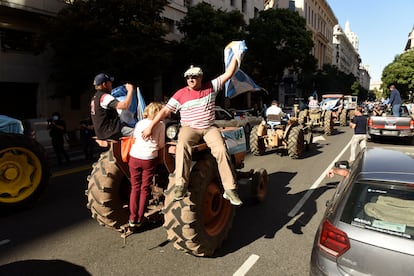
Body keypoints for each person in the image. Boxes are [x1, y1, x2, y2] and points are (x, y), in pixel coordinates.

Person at [141, 56, 243, 206]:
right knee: (182, 146)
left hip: (208, 128)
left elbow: (229, 73)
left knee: (221, 149)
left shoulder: (211, 87)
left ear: (200, 77)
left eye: (194, 76)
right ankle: (181, 185)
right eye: (188, 77)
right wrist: (150, 126)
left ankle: (230, 189)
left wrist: (236, 55)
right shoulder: (180, 94)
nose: (191, 79)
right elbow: (163, 112)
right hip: (189, 128)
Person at [128, 102, 165, 228]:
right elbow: (161, 145)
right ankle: (140, 217)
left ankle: (132, 218)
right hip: (149, 159)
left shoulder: (140, 123)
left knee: (135, 187)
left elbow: (134, 137)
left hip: (134, 156)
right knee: (145, 188)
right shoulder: (161, 125)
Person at [90, 73, 134, 140]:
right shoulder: (104, 97)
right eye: (109, 82)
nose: (111, 84)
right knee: (140, 133)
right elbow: (125, 106)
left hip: (102, 132)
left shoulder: (95, 97)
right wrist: (130, 90)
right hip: (111, 131)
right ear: (104, 84)